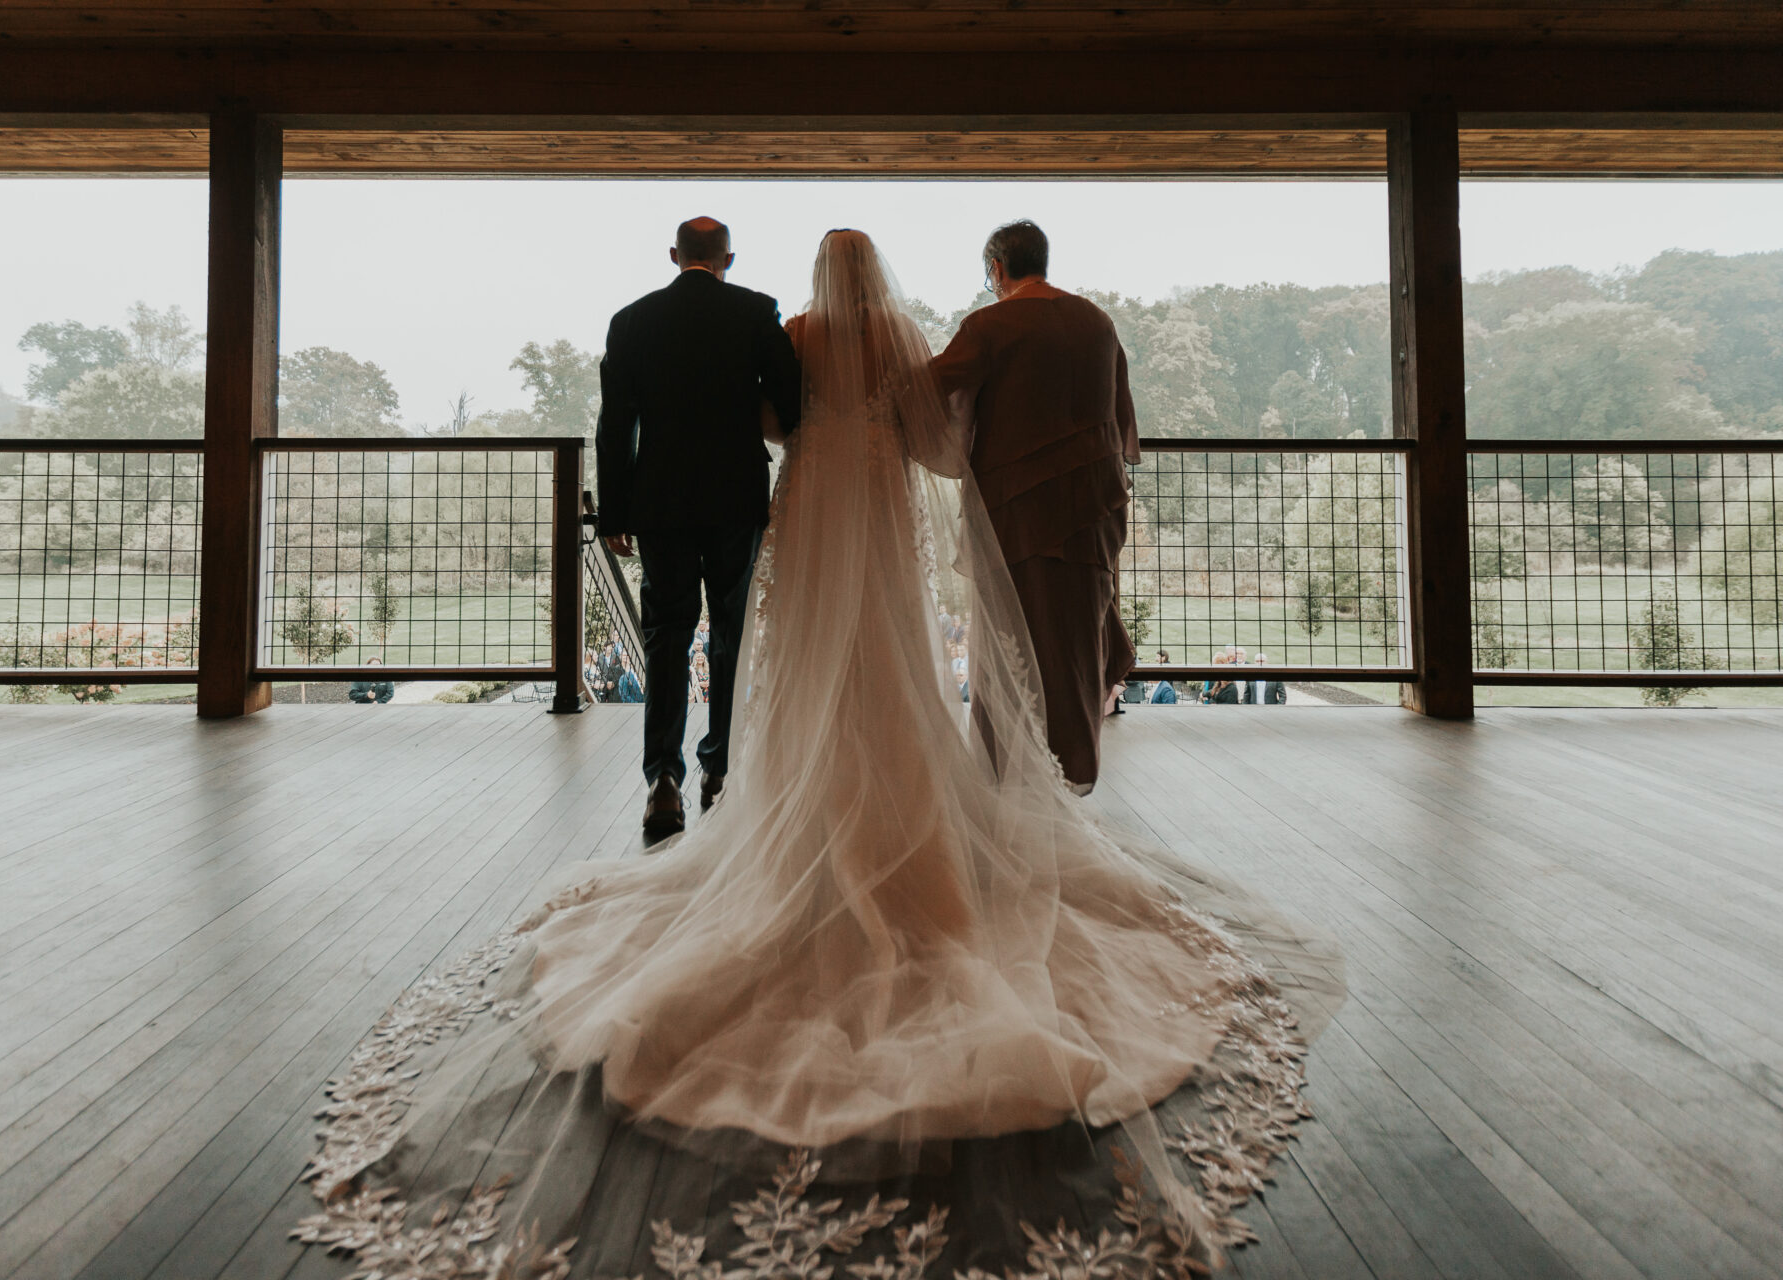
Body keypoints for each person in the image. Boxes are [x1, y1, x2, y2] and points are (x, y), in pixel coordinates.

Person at [314, 229, 1342, 1277]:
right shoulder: (903, 334)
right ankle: (880, 799)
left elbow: (773, 418)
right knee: (894, 659)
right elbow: (929, 437)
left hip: (806, 504)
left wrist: (771, 439)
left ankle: (721, 782)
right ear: (878, 279)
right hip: (881, 506)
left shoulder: (789, 328)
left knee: (787, 658)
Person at [595, 216, 802, 836]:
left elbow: (615, 423)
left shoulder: (632, 319)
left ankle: (663, 779)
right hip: (736, 496)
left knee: (666, 633)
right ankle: (720, 769)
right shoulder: (755, 311)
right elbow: (791, 404)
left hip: (659, 502)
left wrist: (615, 510)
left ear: (673, 255)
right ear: (728, 260)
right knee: (730, 632)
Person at [932, 220, 1138, 792]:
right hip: (1093, 510)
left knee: (1009, 641)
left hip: (1016, 512)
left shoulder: (991, 324)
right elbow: (1120, 414)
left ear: (997, 269)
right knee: (1075, 638)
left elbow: (933, 389)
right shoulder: (1097, 322)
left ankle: (1005, 779)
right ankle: (1072, 777)